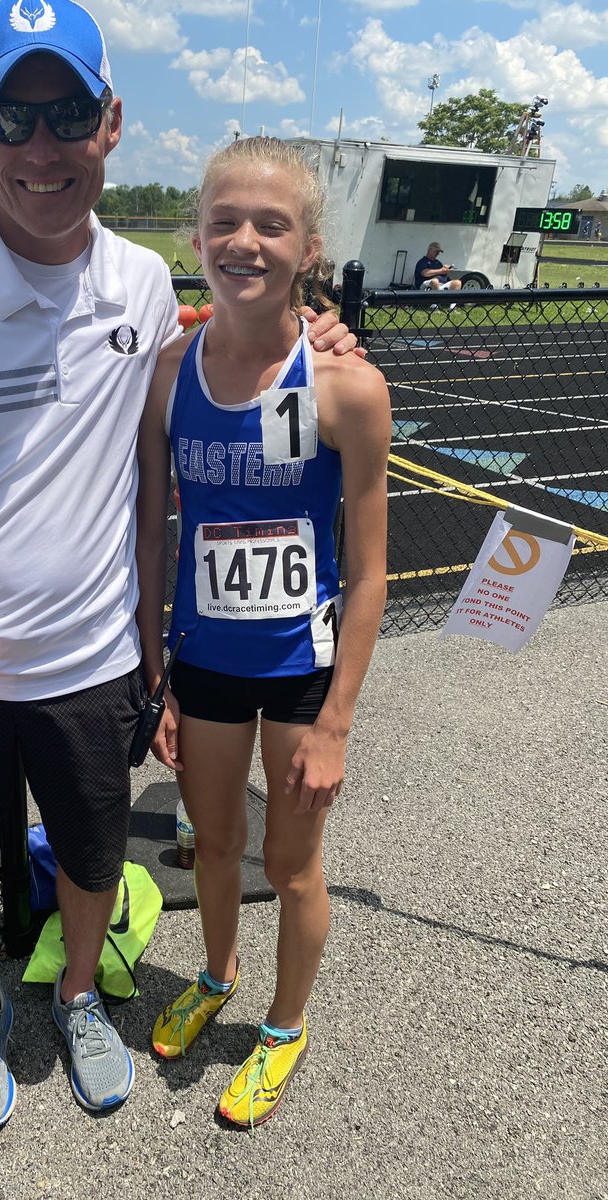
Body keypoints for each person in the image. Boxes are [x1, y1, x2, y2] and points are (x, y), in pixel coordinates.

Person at [0, 0, 359, 1134]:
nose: (42, 147)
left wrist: (321, 335)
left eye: (67, 112)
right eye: (17, 115)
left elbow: (238, 346)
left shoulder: (141, 287)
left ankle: (74, 998)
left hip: (93, 660)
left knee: (96, 855)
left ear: (109, 122)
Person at [136, 136, 391, 1128]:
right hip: (203, 663)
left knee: (289, 868)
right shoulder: (168, 375)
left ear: (309, 248)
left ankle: (285, 1027)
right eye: (226, 222)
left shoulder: (346, 387)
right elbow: (161, 532)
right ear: (196, 237)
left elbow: (368, 572)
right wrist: (159, 669)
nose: (245, 241)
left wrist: (335, 724)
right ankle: (216, 973)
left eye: (270, 224)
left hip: (297, 670)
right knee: (210, 848)